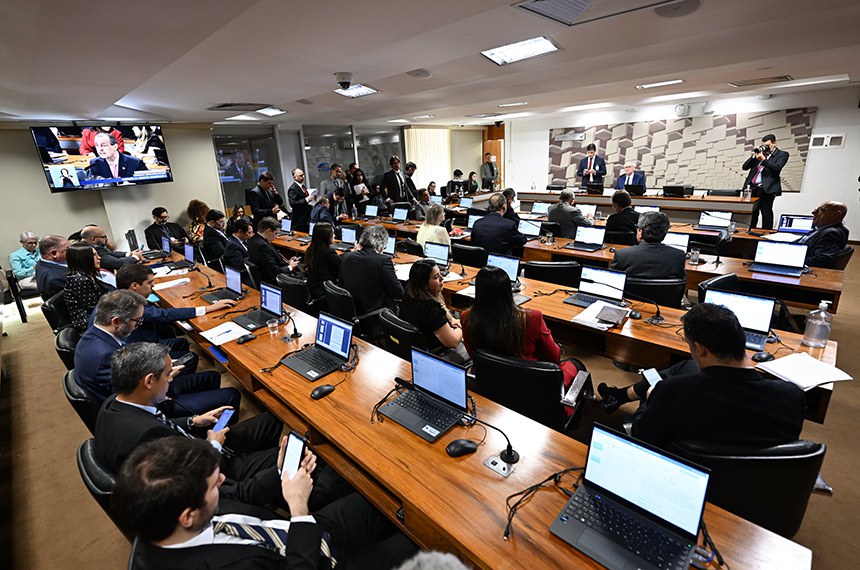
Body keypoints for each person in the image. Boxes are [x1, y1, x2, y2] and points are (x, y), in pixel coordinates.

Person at [111, 437, 416, 569]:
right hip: (314, 560)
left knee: (386, 502)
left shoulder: (170, 511)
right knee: (420, 541)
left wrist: (281, 469)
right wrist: (298, 509)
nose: (222, 482)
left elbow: (242, 494)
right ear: (187, 517)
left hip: (306, 532)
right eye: (213, 484)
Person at [94, 343, 281, 507]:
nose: (171, 379)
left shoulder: (114, 402)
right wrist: (214, 445)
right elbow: (193, 477)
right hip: (213, 469)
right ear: (149, 381)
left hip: (196, 445)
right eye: (168, 374)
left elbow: (159, 423)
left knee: (272, 419)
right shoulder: (145, 436)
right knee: (285, 455)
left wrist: (193, 421)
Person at [625, 303, 805, 450]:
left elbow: (642, 438)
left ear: (700, 349)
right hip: (757, 488)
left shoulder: (673, 391)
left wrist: (650, 398)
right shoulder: (792, 396)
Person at [75, 290, 241, 416]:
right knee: (231, 394)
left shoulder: (96, 333)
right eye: (137, 321)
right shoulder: (105, 356)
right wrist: (163, 379)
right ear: (116, 321)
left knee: (211, 376)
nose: (139, 325)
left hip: (145, 388)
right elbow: (131, 398)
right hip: (147, 409)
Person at [460, 266, 584, 416]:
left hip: (493, 385)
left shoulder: (466, 317)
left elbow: (474, 355)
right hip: (532, 388)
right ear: (508, 291)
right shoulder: (531, 318)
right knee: (576, 364)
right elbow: (554, 357)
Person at [115, 264, 236, 347]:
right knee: (191, 356)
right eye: (150, 283)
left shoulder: (120, 296)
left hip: (147, 340)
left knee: (182, 342)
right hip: (145, 350)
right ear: (135, 286)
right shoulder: (131, 308)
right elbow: (163, 315)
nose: (153, 286)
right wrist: (209, 308)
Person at [399, 260, 469, 364]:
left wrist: (452, 320)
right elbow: (453, 342)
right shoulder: (430, 308)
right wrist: (463, 323)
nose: (442, 278)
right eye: (436, 277)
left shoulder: (410, 293)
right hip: (435, 356)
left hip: (414, 350)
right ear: (424, 284)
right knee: (476, 348)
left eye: (441, 274)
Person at [339, 225, 403, 338]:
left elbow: (341, 284)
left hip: (350, 312)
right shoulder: (383, 260)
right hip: (372, 317)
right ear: (380, 244)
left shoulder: (346, 257)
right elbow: (398, 293)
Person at [610, 211, 686, 279]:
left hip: (631, 294)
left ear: (640, 232)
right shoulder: (679, 256)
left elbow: (612, 282)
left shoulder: (622, 255)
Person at [63, 241, 114, 331]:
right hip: (89, 323)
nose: (99, 258)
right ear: (84, 259)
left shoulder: (87, 275)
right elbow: (95, 308)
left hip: (98, 316)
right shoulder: (79, 280)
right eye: (94, 255)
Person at [742, 134, 789, 229]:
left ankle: (766, 233)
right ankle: (749, 231)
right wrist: (753, 157)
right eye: (764, 145)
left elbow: (777, 168)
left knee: (766, 212)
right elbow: (745, 167)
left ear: (774, 143)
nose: (766, 147)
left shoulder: (782, 154)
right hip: (752, 188)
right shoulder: (760, 154)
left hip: (767, 188)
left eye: (768, 145)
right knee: (752, 213)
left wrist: (763, 160)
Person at [248, 217, 303, 283]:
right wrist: (290, 267)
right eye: (276, 233)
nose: (277, 237)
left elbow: (270, 261)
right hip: (275, 281)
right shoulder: (262, 246)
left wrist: (287, 262)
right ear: (268, 231)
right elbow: (275, 272)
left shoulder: (253, 239)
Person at [798, 201, 850, 268]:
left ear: (835, 215)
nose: (813, 212)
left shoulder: (831, 233)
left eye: (821, 210)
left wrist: (795, 261)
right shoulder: (823, 229)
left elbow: (823, 258)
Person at [304, 223, 342, 301]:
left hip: (312, 287)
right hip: (325, 290)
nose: (334, 236)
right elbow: (341, 264)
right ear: (326, 236)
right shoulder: (329, 252)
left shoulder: (310, 249)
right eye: (332, 233)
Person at [35, 235, 69, 300]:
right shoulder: (56, 279)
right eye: (67, 249)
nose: (71, 252)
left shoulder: (42, 262)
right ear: (54, 253)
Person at [223, 218, 253, 283]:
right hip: (243, 277)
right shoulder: (232, 246)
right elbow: (240, 266)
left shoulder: (243, 241)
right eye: (249, 233)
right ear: (240, 232)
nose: (251, 235)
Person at [287, 167, 314, 233]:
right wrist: (306, 200)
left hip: (307, 217)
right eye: (301, 176)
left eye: (303, 175)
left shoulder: (302, 186)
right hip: (300, 220)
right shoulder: (293, 189)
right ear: (294, 177)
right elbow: (293, 203)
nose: (303, 177)